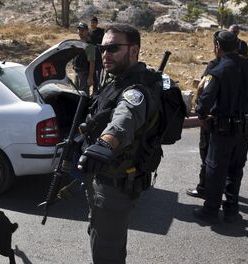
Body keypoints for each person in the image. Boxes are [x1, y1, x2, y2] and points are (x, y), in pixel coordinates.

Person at [77, 24, 161, 264]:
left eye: (113, 48)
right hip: (105, 178)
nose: (105, 54)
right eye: (103, 49)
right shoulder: (118, 81)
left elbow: (122, 123)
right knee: (102, 238)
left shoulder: (136, 91)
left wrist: (103, 146)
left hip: (114, 185)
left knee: (107, 252)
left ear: (134, 50)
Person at [193, 31, 248, 224]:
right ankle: (231, 210)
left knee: (215, 169)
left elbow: (204, 101)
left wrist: (202, 116)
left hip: (222, 130)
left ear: (217, 46)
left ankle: (210, 210)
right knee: (236, 169)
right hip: (245, 130)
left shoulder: (218, 70)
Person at [186, 57, 220, 199]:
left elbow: (201, 87)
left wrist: (200, 112)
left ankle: (204, 188)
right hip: (239, 124)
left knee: (207, 157)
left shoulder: (217, 65)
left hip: (213, 118)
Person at [73, 22, 96, 96]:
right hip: (77, 72)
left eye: (82, 30)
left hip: (84, 74)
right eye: (79, 30)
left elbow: (92, 62)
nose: (80, 32)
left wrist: (90, 77)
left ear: (87, 31)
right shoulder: (77, 43)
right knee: (75, 93)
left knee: (83, 95)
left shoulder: (89, 45)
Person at [89, 16, 105, 94]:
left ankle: (97, 92)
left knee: (99, 76)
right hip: (91, 58)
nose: (92, 24)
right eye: (91, 23)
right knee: (91, 75)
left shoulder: (101, 32)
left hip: (99, 58)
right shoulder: (89, 33)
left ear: (97, 23)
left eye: (94, 23)